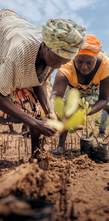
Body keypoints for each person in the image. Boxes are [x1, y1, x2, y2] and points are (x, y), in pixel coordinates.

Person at [0, 8, 86, 154]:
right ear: (44, 46)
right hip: (4, 27)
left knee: (36, 109)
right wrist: (34, 122)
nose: (57, 66)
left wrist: (50, 112)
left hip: (18, 26)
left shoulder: (54, 51)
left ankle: (36, 153)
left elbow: (38, 81)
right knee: (32, 116)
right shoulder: (17, 55)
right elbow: (1, 97)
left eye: (63, 63)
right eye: (55, 60)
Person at [51, 35, 109, 155]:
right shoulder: (66, 65)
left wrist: (86, 112)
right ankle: (61, 145)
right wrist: (52, 112)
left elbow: (104, 98)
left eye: (90, 62)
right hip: (74, 88)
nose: (84, 66)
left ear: (96, 58)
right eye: (79, 61)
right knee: (66, 110)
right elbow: (56, 95)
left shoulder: (106, 65)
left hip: (97, 86)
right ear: (74, 57)